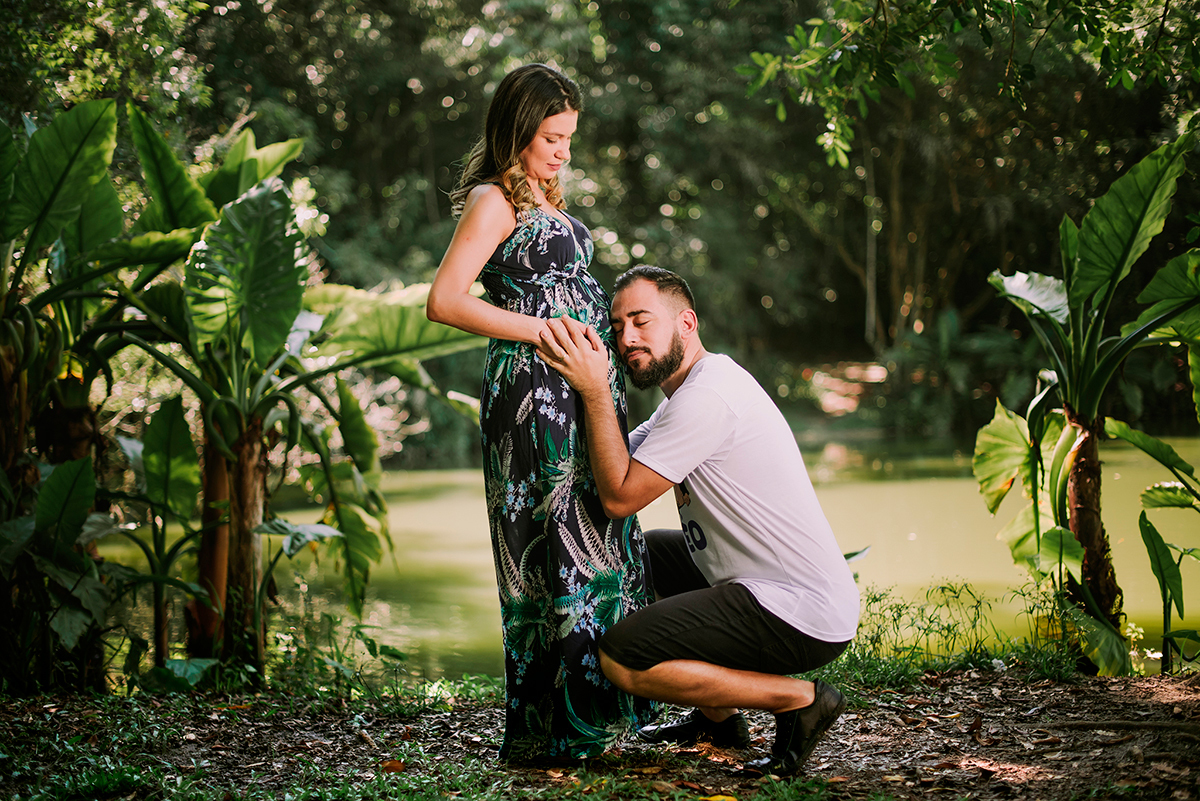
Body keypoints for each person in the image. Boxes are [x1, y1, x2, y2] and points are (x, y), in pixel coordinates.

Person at [534, 266, 860, 776]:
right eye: (617, 327)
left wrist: (596, 391)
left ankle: (799, 700)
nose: (627, 338)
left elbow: (620, 497)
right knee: (643, 553)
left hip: (800, 611)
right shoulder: (686, 397)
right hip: (759, 584)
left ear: (686, 322)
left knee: (623, 659)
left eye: (641, 321)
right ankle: (719, 719)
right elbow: (612, 469)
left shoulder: (708, 398)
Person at [426, 64, 657, 762]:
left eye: (568, 139)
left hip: (575, 388)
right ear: (518, 131)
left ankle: (604, 715)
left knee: (598, 537)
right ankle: (562, 728)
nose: (562, 152)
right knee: (552, 547)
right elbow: (445, 299)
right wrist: (546, 331)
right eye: (551, 138)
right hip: (535, 394)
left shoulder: (543, 199)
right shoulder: (494, 200)